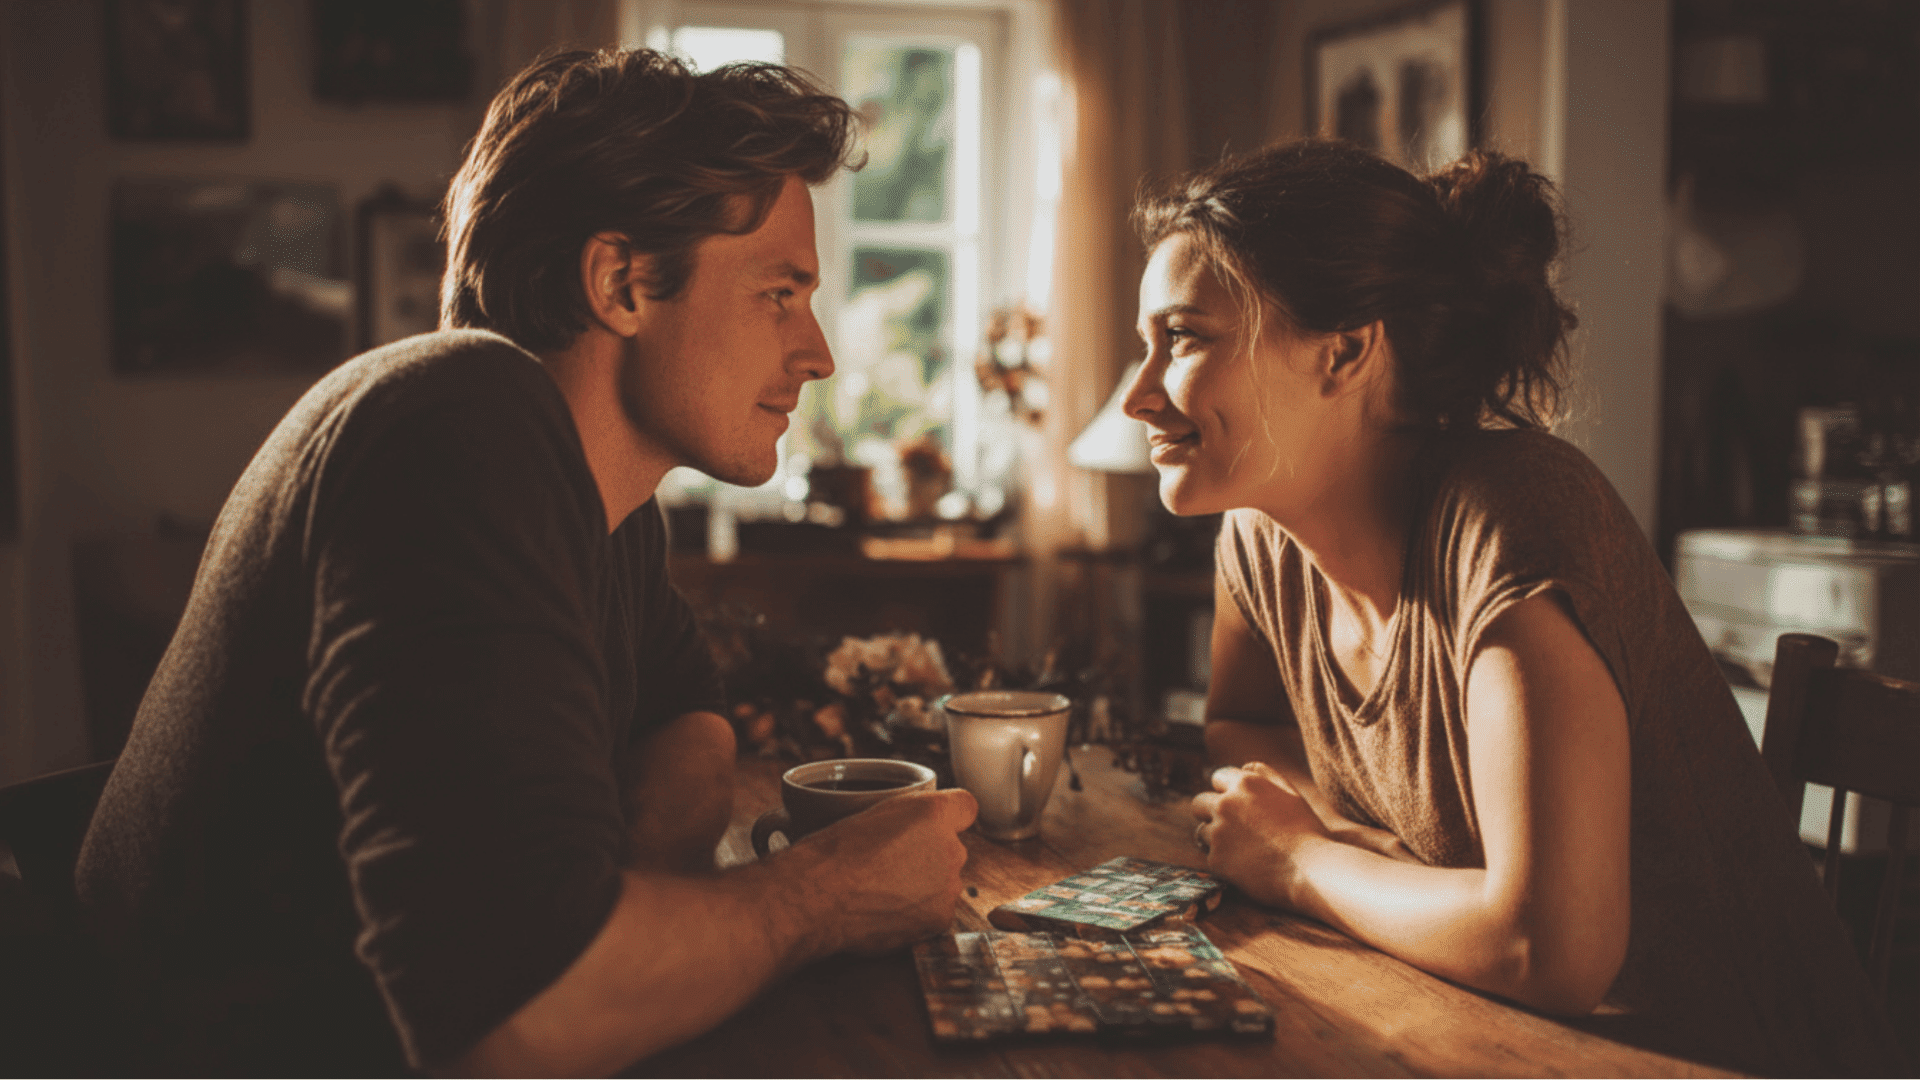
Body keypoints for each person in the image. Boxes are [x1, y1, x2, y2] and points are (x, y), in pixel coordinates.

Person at [77, 48, 976, 1075]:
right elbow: (523, 1020)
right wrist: (826, 893)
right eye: (780, 292)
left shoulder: (608, 500)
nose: (820, 353)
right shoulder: (459, 423)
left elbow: (688, 714)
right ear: (622, 281)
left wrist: (635, 897)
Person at [1127, 140, 1906, 1075]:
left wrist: (1303, 862)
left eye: (1182, 338)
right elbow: (1241, 721)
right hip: (1483, 1031)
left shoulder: (1515, 518)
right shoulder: (1258, 536)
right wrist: (1356, 846)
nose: (1138, 394)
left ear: (1344, 351)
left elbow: (1553, 950)